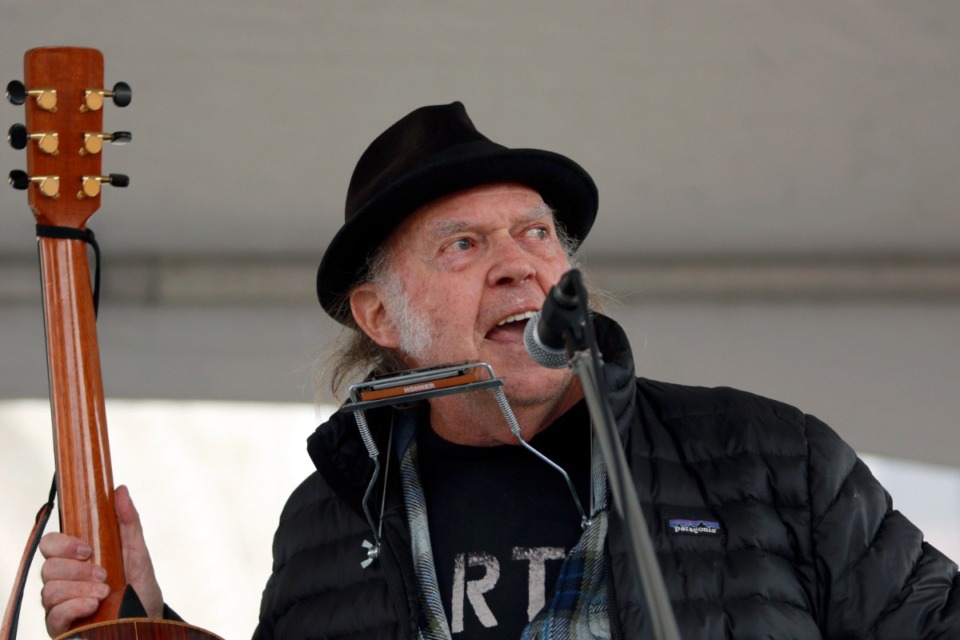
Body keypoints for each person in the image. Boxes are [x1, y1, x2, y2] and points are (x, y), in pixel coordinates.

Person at [39, 102, 960, 639]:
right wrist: (148, 618)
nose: (520, 262)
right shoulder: (331, 514)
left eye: (537, 234)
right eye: (463, 244)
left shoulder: (767, 453)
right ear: (380, 317)